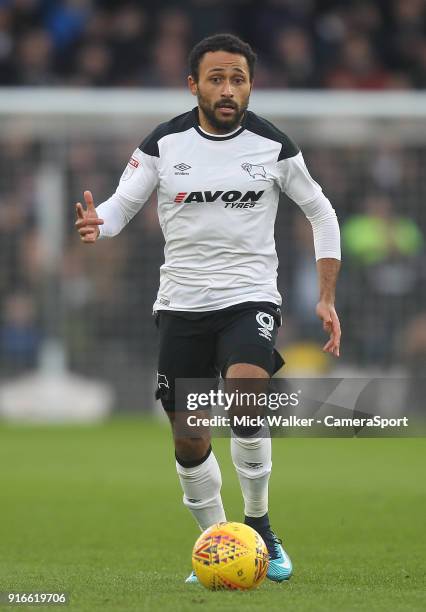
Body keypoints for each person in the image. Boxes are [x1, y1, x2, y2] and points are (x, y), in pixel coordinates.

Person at [75, 33, 341, 584]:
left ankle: (261, 526)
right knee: (190, 437)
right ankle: (218, 542)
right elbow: (123, 205)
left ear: (250, 85)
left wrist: (326, 295)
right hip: (181, 305)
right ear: (193, 84)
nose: (227, 89)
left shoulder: (274, 146)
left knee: (247, 392)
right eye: (216, 78)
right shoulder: (164, 143)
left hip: (250, 297)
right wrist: (98, 222)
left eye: (237, 79)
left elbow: (322, 213)